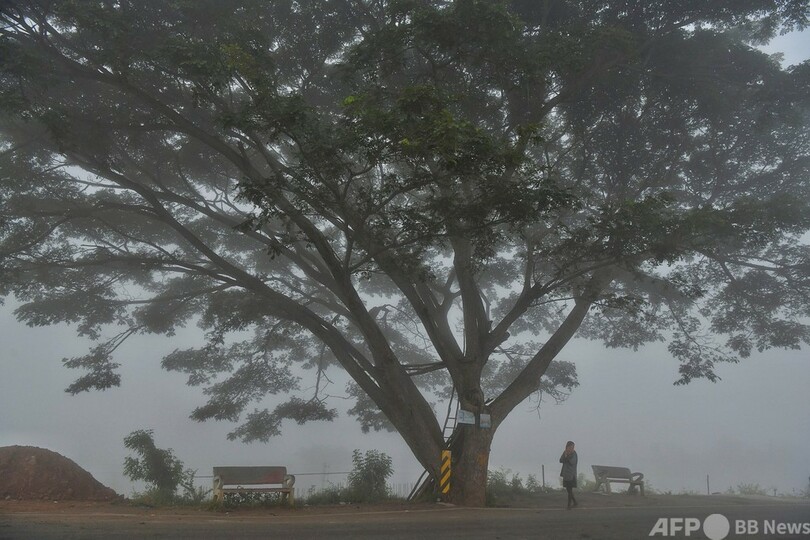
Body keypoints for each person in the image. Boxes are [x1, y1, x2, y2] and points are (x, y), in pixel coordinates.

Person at [559, 440, 578, 509]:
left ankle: (569, 505)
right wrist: (566, 456)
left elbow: (572, 462)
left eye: (573, 447)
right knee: (568, 490)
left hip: (571, 474)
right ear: (567, 447)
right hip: (566, 474)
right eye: (571, 446)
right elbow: (560, 460)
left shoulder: (574, 454)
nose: (572, 448)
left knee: (569, 490)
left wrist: (566, 457)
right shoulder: (565, 452)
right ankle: (575, 502)